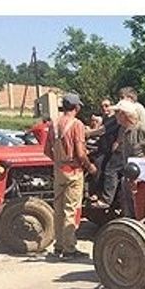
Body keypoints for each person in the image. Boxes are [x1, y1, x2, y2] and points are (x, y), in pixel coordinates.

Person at [43, 93, 98, 259]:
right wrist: (91, 167)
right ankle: (70, 248)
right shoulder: (77, 124)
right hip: (74, 170)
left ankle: (58, 245)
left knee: (58, 208)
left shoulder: (54, 124)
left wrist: (58, 161)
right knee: (71, 209)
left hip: (58, 170)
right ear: (77, 107)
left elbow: (46, 150)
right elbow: (81, 153)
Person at [100, 99, 145, 215]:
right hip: (128, 178)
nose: (115, 116)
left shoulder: (142, 130)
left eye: (117, 113)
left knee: (138, 213)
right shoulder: (125, 131)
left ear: (123, 114)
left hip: (140, 182)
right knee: (128, 211)